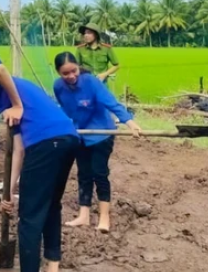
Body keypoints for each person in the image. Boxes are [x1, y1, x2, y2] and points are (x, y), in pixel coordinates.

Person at [0, 63, 78, 272]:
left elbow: (0, 69)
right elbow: (19, 150)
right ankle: (52, 266)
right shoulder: (12, 95)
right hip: (69, 139)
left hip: (45, 143)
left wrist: (17, 105)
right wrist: (7, 194)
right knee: (50, 205)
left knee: (29, 218)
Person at [53, 52, 142, 232]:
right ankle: (83, 216)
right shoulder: (58, 87)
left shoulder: (91, 82)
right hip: (80, 134)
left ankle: (104, 217)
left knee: (99, 173)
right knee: (84, 174)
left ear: (78, 67)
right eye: (65, 73)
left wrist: (130, 123)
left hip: (102, 133)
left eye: (74, 71)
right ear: (58, 72)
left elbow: (111, 103)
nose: (71, 76)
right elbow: (64, 108)